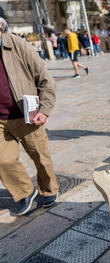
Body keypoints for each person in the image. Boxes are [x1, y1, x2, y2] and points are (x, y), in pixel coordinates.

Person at [0, 17, 59, 215]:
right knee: (2, 160)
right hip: (0, 119)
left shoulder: (18, 45)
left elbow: (45, 79)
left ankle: (49, 189)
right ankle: (25, 191)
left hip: (26, 115)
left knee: (40, 157)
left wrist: (44, 109)